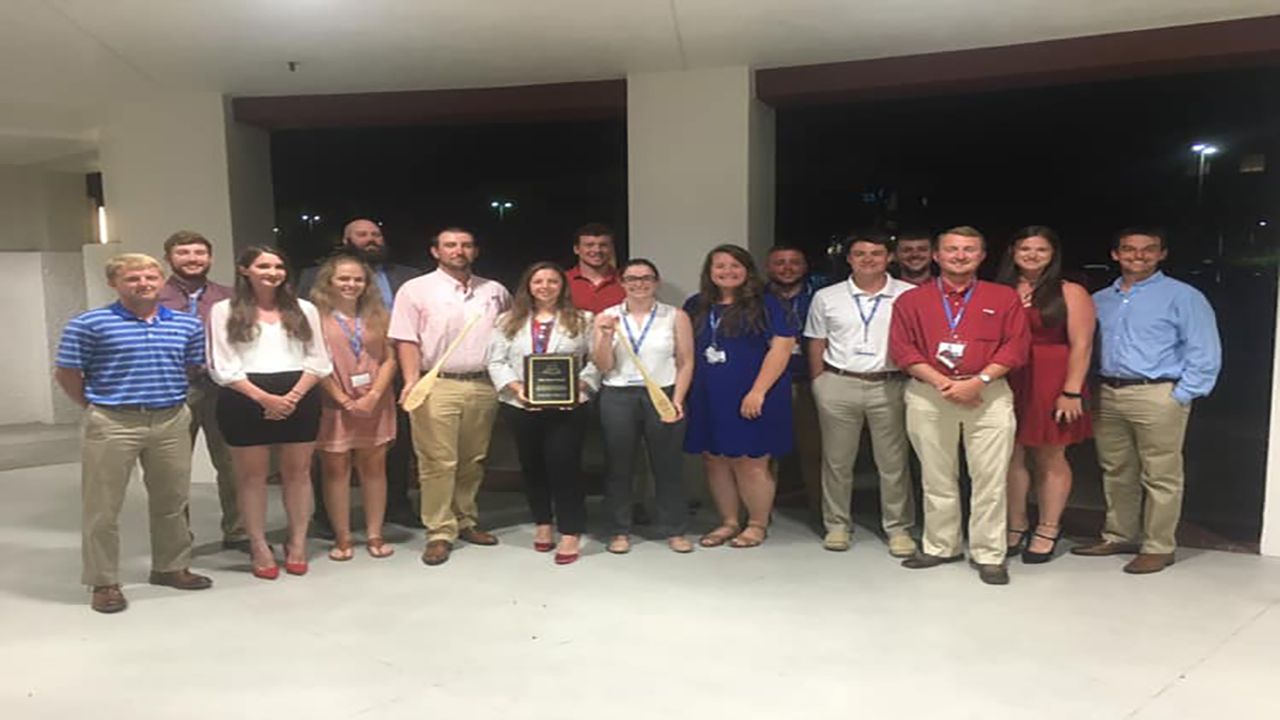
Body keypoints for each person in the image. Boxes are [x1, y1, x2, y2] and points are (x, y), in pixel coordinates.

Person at [55, 253, 213, 613]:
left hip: (171, 419)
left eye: (149, 277)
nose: (143, 284)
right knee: (103, 508)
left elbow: (189, 366)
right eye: (133, 279)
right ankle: (104, 581)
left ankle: (171, 567)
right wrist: (95, 406)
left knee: (172, 501)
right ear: (114, 283)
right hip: (113, 422)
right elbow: (67, 373)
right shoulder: (89, 324)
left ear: (161, 281)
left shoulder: (186, 324)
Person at [1072, 227, 1221, 574]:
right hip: (1108, 392)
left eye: (1148, 250)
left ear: (1162, 254)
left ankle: (1158, 546)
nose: (1138, 256)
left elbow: (1205, 351)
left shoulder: (1183, 297)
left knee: (1161, 474)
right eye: (1129, 249)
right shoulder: (1098, 301)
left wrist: (1181, 395)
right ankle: (1118, 535)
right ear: (1115, 254)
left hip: (1157, 394)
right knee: (1116, 471)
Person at [888, 226, 1029, 585]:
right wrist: (944, 384)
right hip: (929, 393)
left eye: (969, 250)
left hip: (989, 393)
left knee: (990, 478)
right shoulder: (911, 300)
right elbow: (903, 350)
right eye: (952, 249)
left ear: (982, 256)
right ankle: (940, 545)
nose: (960, 256)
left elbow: (1015, 348)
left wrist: (976, 382)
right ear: (937, 255)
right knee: (936, 476)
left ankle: (989, 553)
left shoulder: (1003, 298)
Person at [208, 246, 333, 580]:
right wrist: (264, 399)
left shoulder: (304, 308)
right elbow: (222, 364)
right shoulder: (224, 309)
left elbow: (319, 359)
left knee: (298, 473)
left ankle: (297, 543)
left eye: (279, 266)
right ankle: (260, 545)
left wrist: (292, 396)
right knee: (252, 478)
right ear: (244, 270)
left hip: (299, 392)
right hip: (244, 395)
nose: (273, 272)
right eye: (263, 266)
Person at [389, 227, 511, 567]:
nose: (459, 250)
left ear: (475, 251)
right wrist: (411, 382)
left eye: (466, 245)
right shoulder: (416, 290)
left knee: (473, 459)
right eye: (450, 245)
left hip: (482, 384)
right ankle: (439, 531)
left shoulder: (495, 291)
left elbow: (508, 335)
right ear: (435, 251)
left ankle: (465, 520)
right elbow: (406, 340)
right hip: (436, 383)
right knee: (437, 462)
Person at [299, 218, 421, 531]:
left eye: (376, 234)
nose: (371, 239)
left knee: (392, 452)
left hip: (385, 377)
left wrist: (382, 388)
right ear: (346, 239)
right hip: (331, 382)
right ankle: (328, 518)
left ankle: (395, 506)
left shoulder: (407, 277)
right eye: (362, 234)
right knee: (332, 461)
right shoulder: (311, 279)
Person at [805, 231, 917, 556]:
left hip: (890, 383)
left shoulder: (908, 295)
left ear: (889, 257)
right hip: (839, 382)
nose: (868, 259)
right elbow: (817, 341)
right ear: (849, 258)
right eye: (860, 253)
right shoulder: (827, 296)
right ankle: (837, 525)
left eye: (876, 253)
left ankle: (898, 529)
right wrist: (819, 383)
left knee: (893, 462)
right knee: (837, 462)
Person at [684, 244, 797, 549]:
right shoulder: (696, 306)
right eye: (719, 266)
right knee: (715, 459)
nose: (727, 271)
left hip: (754, 393)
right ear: (709, 273)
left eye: (735, 266)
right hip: (708, 395)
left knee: (751, 461)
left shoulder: (768, 304)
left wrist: (758, 391)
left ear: (747, 270)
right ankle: (729, 521)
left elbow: (782, 348)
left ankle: (757, 523)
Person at [488, 262, 600, 564]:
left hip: (568, 406)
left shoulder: (583, 319)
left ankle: (570, 530)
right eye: (539, 281)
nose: (546, 286)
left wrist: (582, 388)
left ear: (562, 286)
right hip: (521, 405)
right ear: (528, 285)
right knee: (532, 465)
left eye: (553, 281)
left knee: (564, 465)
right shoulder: (507, 320)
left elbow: (597, 362)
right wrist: (515, 388)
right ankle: (543, 523)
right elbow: (496, 361)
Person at [996, 226, 1095, 564]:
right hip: (1007, 378)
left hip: (1053, 379)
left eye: (1041, 250)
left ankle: (1048, 528)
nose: (1032, 255)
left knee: (1050, 457)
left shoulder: (1071, 291)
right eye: (1025, 248)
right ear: (1013, 251)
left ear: (1053, 255)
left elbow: (1082, 344)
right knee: (1010, 455)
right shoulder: (999, 290)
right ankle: (1016, 524)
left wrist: (1071, 390)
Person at [592, 259, 696, 554]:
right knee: (618, 464)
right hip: (618, 395)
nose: (639, 284)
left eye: (646, 278)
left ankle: (674, 529)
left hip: (662, 393)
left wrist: (678, 398)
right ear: (621, 283)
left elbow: (686, 361)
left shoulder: (674, 316)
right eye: (631, 279)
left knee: (668, 464)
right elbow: (602, 365)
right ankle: (619, 530)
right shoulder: (606, 316)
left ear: (657, 281)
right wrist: (605, 336)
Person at [156, 230, 241, 549]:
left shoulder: (229, 296)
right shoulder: (153, 296)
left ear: (210, 258)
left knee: (232, 464)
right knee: (173, 469)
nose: (192, 259)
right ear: (169, 258)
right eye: (184, 253)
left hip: (224, 388)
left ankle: (238, 531)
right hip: (175, 389)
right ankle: (177, 539)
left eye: (199, 253)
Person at [310, 254, 398, 561]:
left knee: (374, 468)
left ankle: (375, 534)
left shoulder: (379, 314)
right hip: (333, 403)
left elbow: (390, 358)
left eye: (358, 279)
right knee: (335, 470)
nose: (351, 284)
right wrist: (343, 399)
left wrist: (374, 395)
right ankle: (343, 537)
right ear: (329, 281)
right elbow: (313, 363)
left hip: (375, 402)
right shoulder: (314, 316)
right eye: (344, 278)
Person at [764, 244, 828, 518]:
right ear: (768, 267)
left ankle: (821, 510)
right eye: (780, 262)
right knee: (765, 452)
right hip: (768, 386)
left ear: (805, 267)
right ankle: (760, 513)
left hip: (806, 381)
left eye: (794, 262)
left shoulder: (819, 299)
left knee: (814, 451)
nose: (787, 268)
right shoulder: (756, 299)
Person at [565, 222, 625, 314]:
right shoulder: (563, 281)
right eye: (589, 245)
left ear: (612, 248)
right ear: (576, 249)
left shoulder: (625, 281)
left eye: (603, 245)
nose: (597, 250)